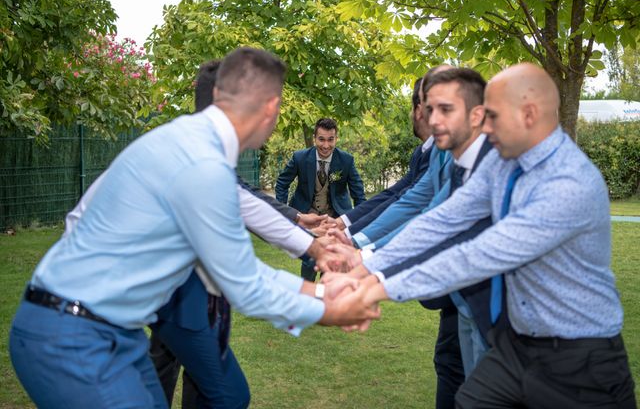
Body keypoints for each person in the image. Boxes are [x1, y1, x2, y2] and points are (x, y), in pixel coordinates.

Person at [9, 47, 379, 409]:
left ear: (219, 94)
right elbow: (245, 284)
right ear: (271, 109)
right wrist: (329, 306)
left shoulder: (183, 140)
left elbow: (237, 262)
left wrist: (317, 290)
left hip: (108, 332)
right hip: (74, 340)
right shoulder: (203, 165)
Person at [352, 63, 636, 408]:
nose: (484, 127)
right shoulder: (502, 163)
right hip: (517, 348)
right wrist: (368, 269)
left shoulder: (568, 184)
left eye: (493, 116)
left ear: (529, 114)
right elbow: (442, 220)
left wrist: (377, 290)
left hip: (582, 361)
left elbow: (477, 256)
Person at [329, 67, 493, 408]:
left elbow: (449, 234)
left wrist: (372, 282)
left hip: (512, 321)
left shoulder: (496, 163)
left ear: (477, 112)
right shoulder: (462, 163)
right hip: (471, 305)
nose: (432, 119)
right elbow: (432, 217)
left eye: (445, 109)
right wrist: (364, 265)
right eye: (429, 108)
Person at [334, 78, 433, 238]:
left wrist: (349, 236)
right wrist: (343, 222)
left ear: (418, 111)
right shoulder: (421, 152)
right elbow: (392, 193)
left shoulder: (438, 154)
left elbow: (406, 202)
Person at [276, 117, 366, 281]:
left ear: (336, 138)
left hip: (336, 219)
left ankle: (327, 292)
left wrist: (360, 223)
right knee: (311, 259)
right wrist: (284, 212)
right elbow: (282, 183)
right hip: (308, 217)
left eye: (330, 140)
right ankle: (307, 290)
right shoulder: (300, 158)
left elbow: (358, 194)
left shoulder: (346, 160)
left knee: (333, 262)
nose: (326, 145)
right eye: (321, 139)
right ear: (314, 138)